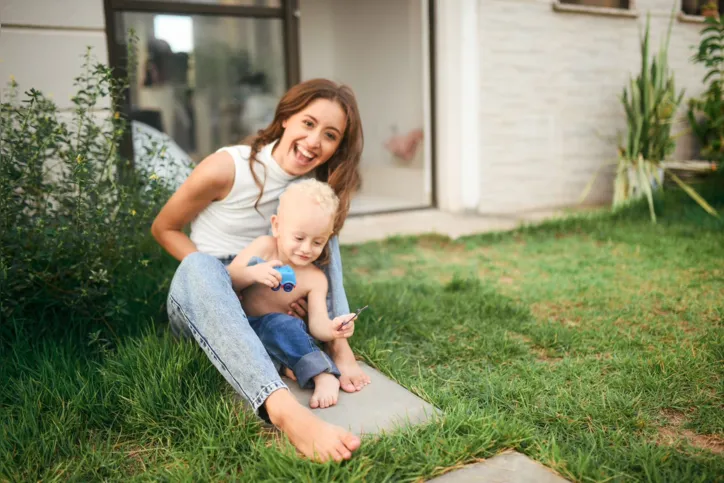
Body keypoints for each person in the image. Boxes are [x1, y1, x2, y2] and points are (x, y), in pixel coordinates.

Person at [151, 79, 371, 463]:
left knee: (323, 231)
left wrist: (294, 292)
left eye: (330, 135)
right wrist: (223, 285)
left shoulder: (310, 187)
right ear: (285, 117)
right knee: (201, 265)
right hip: (205, 296)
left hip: (265, 298)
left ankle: (337, 341)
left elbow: (302, 254)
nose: (315, 140)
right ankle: (283, 410)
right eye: (308, 123)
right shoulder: (227, 167)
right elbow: (164, 228)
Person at [228, 180, 357, 410]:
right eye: (299, 238)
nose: (307, 248)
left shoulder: (315, 278)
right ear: (277, 226)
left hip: (276, 329)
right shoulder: (264, 248)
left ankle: (322, 374)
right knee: (263, 347)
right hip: (241, 327)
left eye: (318, 242)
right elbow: (228, 278)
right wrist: (252, 273)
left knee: (288, 328)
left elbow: (317, 324)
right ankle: (290, 365)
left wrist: (333, 329)